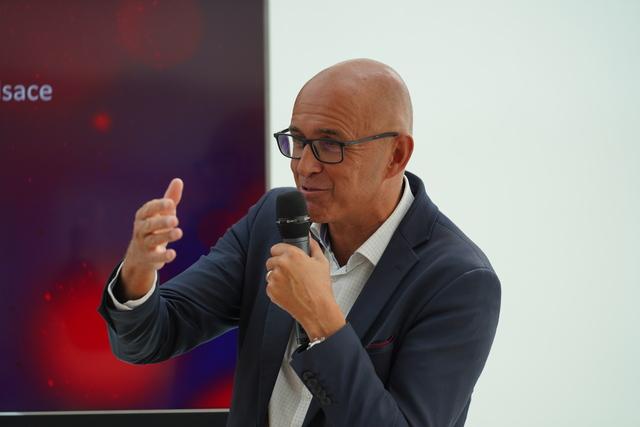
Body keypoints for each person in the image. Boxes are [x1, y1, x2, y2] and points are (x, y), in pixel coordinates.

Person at [98, 58, 501, 426]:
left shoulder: (459, 280)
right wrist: (138, 273)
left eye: (330, 145)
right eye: (297, 141)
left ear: (396, 155)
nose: (304, 166)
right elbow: (150, 340)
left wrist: (321, 321)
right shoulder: (272, 220)